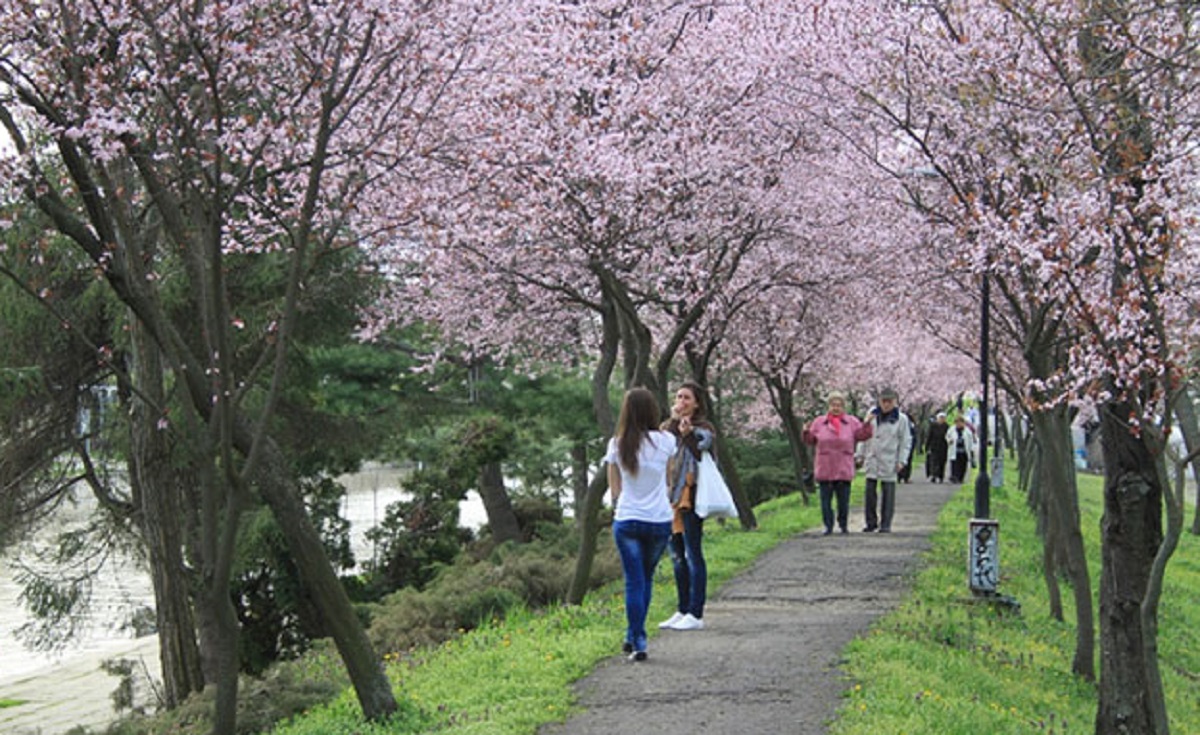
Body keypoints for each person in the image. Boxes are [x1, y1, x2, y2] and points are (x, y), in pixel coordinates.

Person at [605, 387, 677, 661]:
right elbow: (669, 476)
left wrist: (618, 505)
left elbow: (615, 488)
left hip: (627, 519)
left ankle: (637, 639)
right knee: (645, 578)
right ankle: (634, 636)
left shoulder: (617, 444)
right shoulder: (667, 441)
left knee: (634, 581)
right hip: (659, 520)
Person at [658, 381, 716, 632]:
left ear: (697, 403)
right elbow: (661, 451)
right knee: (677, 557)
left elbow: (701, 452)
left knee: (693, 554)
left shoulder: (704, 428)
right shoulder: (667, 427)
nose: (681, 402)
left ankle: (696, 612)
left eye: (686, 398)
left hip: (690, 496)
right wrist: (673, 425)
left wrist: (688, 433)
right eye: (678, 397)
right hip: (670, 497)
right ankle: (682, 609)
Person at [802, 390, 873, 535]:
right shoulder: (819, 422)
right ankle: (828, 525)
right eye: (833, 405)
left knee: (843, 501)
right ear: (828, 406)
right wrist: (806, 432)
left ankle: (843, 524)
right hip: (825, 466)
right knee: (825, 501)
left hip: (843, 466)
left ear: (843, 407)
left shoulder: (851, 422)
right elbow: (810, 440)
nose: (836, 408)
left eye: (839, 405)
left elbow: (862, 435)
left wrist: (867, 424)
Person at [857, 388, 913, 533]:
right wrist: (859, 455)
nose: (886, 404)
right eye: (884, 401)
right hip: (872, 457)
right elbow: (863, 434)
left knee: (888, 493)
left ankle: (886, 523)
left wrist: (902, 460)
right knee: (870, 492)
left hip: (890, 458)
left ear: (895, 402)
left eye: (890, 401)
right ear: (879, 401)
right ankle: (871, 522)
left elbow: (905, 441)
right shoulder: (871, 415)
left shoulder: (901, 419)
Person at [946, 414, 976, 483]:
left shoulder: (967, 431)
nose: (958, 424)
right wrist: (949, 440)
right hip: (954, 450)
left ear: (963, 423)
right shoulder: (952, 429)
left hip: (964, 451)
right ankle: (955, 477)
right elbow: (947, 436)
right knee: (954, 465)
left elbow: (971, 441)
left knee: (962, 465)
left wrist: (972, 451)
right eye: (957, 422)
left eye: (960, 422)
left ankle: (960, 478)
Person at [925, 412, 950, 483]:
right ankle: (934, 475)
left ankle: (941, 476)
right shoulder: (933, 426)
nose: (941, 419)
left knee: (942, 462)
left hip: (943, 447)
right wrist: (927, 446)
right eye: (940, 418)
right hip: (934, 446)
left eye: (943, 418)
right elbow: (929, 436)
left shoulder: (947, 426)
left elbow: (949, 436)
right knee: (934, 461)